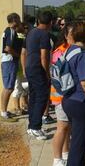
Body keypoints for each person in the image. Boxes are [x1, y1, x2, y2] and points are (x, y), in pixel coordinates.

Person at [62, 22, 85, 166]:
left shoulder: (70, 50)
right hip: (81, 102)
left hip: (69, 99)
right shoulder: (82, 55)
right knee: (78, 143)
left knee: (77, 137)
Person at [25, 11, 53, 140]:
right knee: (42, 97)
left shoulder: (31, 32)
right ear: (50, 23)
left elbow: (24, 52)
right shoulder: (44, 35)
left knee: (34, 96)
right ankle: (36, 127)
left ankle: (31, 126)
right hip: (38, 69)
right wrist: (47, 73)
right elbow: (44, 56)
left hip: (30, 67)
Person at [51, 24, 73, 166]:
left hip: (66, 97)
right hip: (61, 96)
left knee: (67, 127)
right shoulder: (60, 52)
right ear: (66, 35)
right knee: (62, 127)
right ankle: (57, 159)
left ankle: (65, 153)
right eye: (72, 33)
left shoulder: (71, 50)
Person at [0, 12, 22, 122]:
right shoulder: (11, 31)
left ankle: (4, 111)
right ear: (14, 20)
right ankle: (3, 113)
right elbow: (8, 48)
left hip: (8, 62)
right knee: (8, 88)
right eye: (18, 19)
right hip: (9, 61)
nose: (20, 21)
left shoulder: (8, 31)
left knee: (8, 87)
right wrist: (18, 55)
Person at [12, 22, 30, 116]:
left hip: (24, 66)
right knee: (18, 87)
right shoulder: (20, 37)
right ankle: (16, 107)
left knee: (25, 87)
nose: (26, 29)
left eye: (27, 27)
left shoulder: (26, 37)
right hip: (19, 67)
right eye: (25, 27)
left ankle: (24, 105)